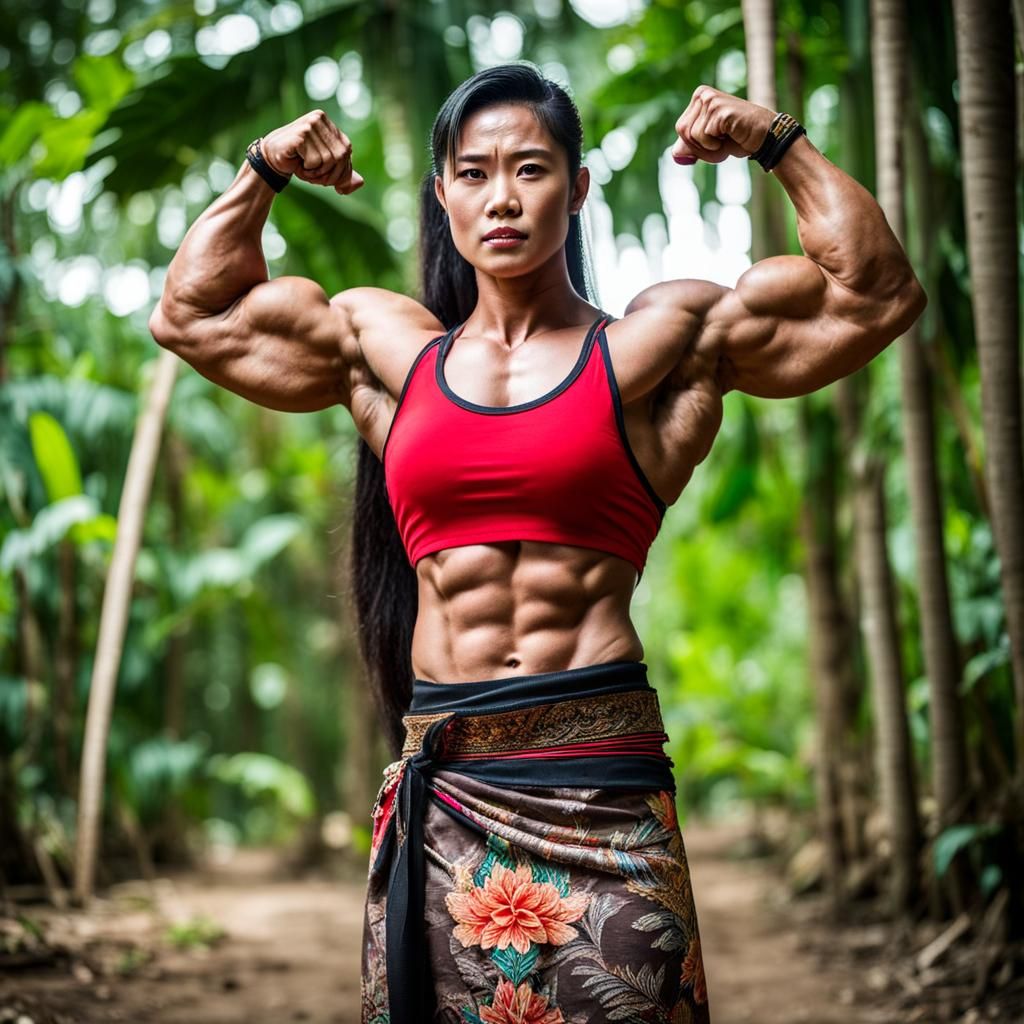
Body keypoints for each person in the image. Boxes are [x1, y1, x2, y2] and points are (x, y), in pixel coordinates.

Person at [150, 61, 925, 1024]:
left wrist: (775, 140)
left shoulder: (657, 347)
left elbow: (877, 292)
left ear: (579, 186)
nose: (502, 197)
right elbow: (189, 312)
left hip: (604, 787)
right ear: (442, 195)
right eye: (473, 174)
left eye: (531, 168)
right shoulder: (388, 353)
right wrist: (264, 166)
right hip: (452, 792)